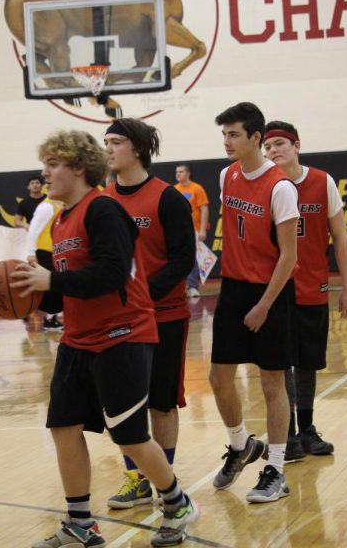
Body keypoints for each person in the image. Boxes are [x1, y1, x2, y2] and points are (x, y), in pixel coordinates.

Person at [11, 130, 198, 547]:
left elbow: (112, 274)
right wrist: (32, 292)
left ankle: (176, 501)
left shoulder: (104, 211)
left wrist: (52, 277)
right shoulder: (62, 219)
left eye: (54, 164)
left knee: (129, 434)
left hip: (123, 335)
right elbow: (65, 291)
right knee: (62, 427)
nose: (45, 173)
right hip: (79, 337)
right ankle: (81, 522)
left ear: (79, 168)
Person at [102, 118, 196, 509]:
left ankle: (164, 478)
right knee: (126, 403)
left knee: (161, 403)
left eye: (115, 142)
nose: (107, 149)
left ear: (137, 148)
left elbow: (182, 261)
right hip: (119, 320)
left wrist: (141, 294)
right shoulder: (103, 200)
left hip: (165, 315)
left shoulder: (168, 198)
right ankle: (134, 480)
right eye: (104, 142)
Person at [209, 102, 298, 503]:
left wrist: (264, 304)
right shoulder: (226, 176)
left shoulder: (280, 187)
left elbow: (289, 256)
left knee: (271, 382)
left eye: (234, 134)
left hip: (272, 292)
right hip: (233, 288)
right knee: (218, 378)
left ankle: (276, 469)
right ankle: (241, 443)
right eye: (224, 134)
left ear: (256, 138)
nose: (227, 141)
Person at [263, 120, 347, 461]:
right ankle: (285, 435)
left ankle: (306, 429)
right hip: (276, 290)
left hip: (313, 286)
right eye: (268, 147)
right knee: (281, 363)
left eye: (279, 145)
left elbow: (341, 237)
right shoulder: (265, 185)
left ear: (297, 145)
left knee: (306, 364)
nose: (273, 152)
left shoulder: (322, 181)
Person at [25, 189, 64, 331]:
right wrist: (31, 252)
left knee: (56, 286)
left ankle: (54, 317)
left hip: (55, 251)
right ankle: (48, 319)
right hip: (44, 251)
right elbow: (33, 229)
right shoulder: (46, 206)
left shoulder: (59, 205)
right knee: (50, 286)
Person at [174, 164, 209, 297]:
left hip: (194, 230)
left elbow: (204, 209)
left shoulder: (197, 188)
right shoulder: (174, 189)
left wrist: (202, 230)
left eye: (181, 172)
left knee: (193, 259)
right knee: (178, 258)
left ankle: (193, 287)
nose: (178, 174)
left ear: (188, 173)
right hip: (178, 231)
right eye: (176, 172)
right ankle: (179, 288)